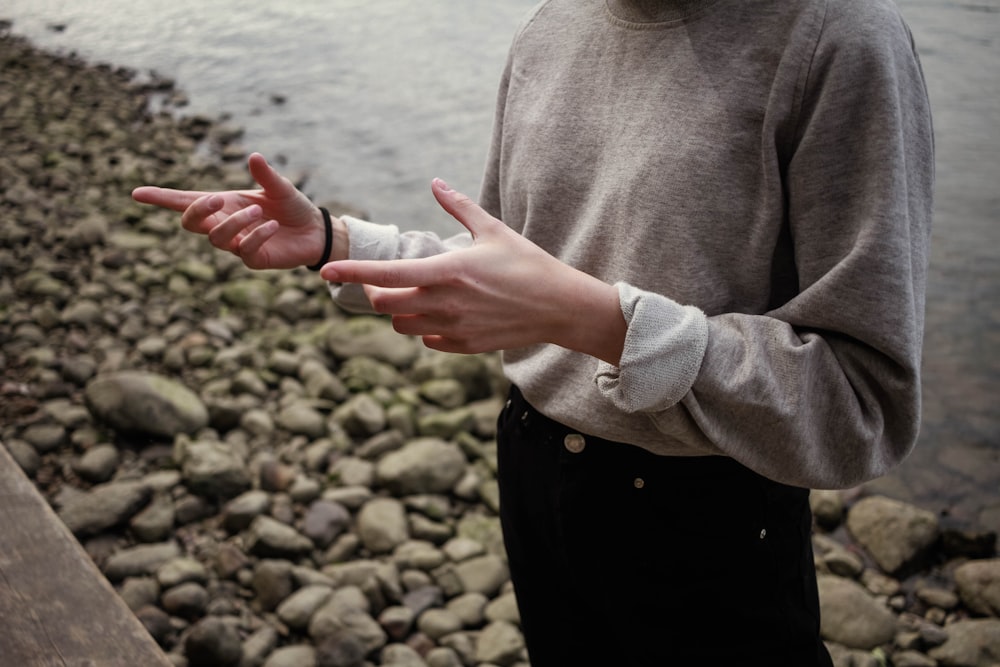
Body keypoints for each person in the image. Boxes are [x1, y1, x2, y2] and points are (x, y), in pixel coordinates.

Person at [133, 0, 934, 663]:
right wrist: (334, 242)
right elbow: (509, 266)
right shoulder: (551, 30)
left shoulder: (841, 37)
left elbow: (861, 401)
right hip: (534, 463)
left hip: (710, 513)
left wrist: (598, 323)